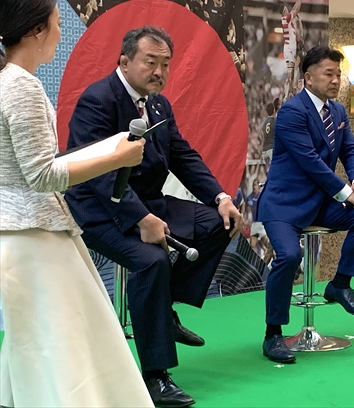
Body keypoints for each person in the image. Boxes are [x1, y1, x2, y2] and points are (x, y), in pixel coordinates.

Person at [64, 25, 242, 407]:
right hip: (98, 210)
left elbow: (182, 155)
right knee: (152, 262)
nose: (159, 72)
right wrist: (141, 218)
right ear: (125, 61)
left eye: (165, 64)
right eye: (151, 62)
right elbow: (97, 172)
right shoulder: (98, 100)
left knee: (220, 223)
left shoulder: (159, 104)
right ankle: (156, 378)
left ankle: (164, 310)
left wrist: (221, 196)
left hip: (148, 202)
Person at [0, 0, 152, 407]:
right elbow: (42, 175)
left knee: (36, 350)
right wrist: (117, 157)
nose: (60, 31)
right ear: (36, 30)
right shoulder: (20, 85)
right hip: (34, 238)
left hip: (22, 236)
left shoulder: (8, 81)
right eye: (55, 21)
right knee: (66, 348)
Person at [256, 45, 354, 363]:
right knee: (289, 256)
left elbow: (350, 150)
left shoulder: (337, 111)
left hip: (319, 202)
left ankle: (340, 285)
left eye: (339, 74)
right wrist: (346, 193)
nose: (336, 80)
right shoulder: (291, 112)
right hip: (284, 204)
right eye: (329, 74)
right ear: (308, 78)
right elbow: (310, 161)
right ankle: (273, 334)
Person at [281, 0, 307, 102]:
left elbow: (294, 9)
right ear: (284, 12)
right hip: (289, 49)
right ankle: (286, 95)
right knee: (290, 73)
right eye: (287, 9)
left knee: (291, 74)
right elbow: (296, 10)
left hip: (290, 48)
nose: (288, 10)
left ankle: (289, 93)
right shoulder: (285, 19)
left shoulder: (288, 22)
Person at [260, 102, 276, 168]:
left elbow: (262, 135)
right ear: (274, 110)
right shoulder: (274, 121)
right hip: (271, 148)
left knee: (267, 169)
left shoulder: (264, 123)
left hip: (264, 149)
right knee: (275, 167)